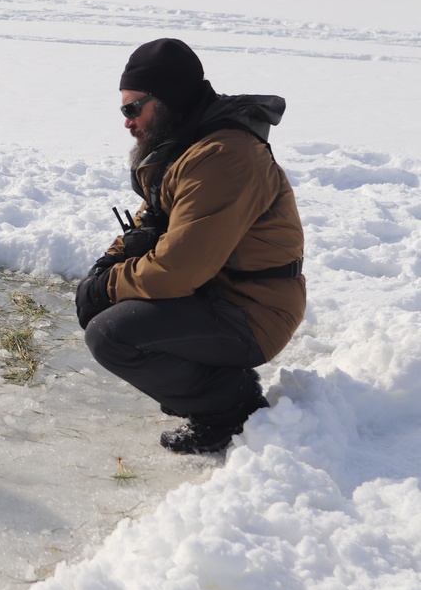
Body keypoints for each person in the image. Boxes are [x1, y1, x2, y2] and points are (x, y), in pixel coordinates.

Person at [75, 38, 305, 454]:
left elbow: (179, 268)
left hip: (254, 311)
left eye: (133, 109)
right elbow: (149, 218)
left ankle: (230, 408)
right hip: (219, 293)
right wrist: (106, 265)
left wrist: (108, 287)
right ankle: (213, 389)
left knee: (111, 334)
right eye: (123, 110)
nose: (127, 122)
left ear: (165, 99)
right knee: (114, 304)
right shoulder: (187, 144)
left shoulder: (223, 156)